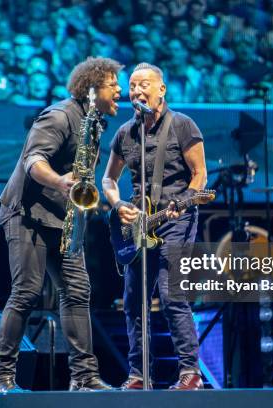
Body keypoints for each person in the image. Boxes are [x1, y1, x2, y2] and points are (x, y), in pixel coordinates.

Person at [0, 57, 122, 393]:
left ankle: (84, 377)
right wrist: (60, 182)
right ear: (93, 90)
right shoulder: (60, 115)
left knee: (77, 292)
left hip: (63, 219)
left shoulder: (94, 123)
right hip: (27, 214)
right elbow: (33, 160)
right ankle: (1, 377)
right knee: (26, 293)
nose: (120, 90)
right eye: (112, 84)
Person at [101, 62, 207, 390]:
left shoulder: (183, 126)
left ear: (161, 89)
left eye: (144, 84)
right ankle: (138, 374)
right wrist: (118, 205)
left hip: (177, 218)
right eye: (132, 86)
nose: (136, 91)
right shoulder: (125, 133)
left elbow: (200, 175)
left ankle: (190, 373)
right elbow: (108, 178)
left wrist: (186, 201)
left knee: (172, 292)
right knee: (134, 301)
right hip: (138, 225)